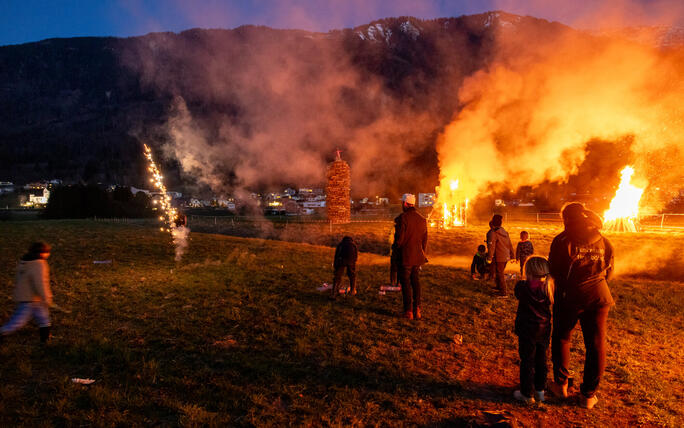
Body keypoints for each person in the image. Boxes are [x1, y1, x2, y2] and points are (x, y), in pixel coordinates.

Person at [548, 203, 614, 409]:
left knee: (562, 337)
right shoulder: (603, 239)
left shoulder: (562, 240)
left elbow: (554, 269)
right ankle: (588, 395)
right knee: (596, 345)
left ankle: (560, 385)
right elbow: (609, 271)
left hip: (570, 296)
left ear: (566, 218)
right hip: (599, 296)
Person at [513, 256, 554, 404]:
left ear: (528, 271)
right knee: (541, 360)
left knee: (527, 361)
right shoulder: (549, 287)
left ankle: (526, 393)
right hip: (543, 329)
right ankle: (540, 391)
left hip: (526, 329)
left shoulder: (522, 287)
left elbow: (517, 294)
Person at [0, 242, 53, 344]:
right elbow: (40, 282)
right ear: (41, 253)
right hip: (30, 299)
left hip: (31, 297)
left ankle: (46, 338)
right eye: (47, 252)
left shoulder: (25, 261)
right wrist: (47, 297)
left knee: (43, 317)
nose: (48, 254)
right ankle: (3, 332)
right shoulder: (39, 264)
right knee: (18, 321)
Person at [394, 193, 428, 319]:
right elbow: (425, 240)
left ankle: (408, 311)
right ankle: (417, 308)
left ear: (405, 204)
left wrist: (395, 249)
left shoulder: (403, 218)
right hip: (417, 256)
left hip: (406, 256)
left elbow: (399, 240)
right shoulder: (422, 219)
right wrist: (422, 253)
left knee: (406, 283)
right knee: (416, 282)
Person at [486, 214, 515, 297]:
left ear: (492, 223)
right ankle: (499, 287)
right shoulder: (504, 231)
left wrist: (489, 258)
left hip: (499, 256)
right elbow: (509, 244)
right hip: (505, 256)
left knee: (500, 274)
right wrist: (512, 255)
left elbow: (491, 246)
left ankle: (503, 292)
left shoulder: (492, 233)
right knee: (499, 272)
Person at [388, 215, 401, 287]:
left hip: (396, 251)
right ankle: (394, 282)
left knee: (396, 268)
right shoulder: (394, 229)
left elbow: (390, 240)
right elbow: (390, 240)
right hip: (395, 251)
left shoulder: (396, 229)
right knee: (395, 267)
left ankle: (396, 282)